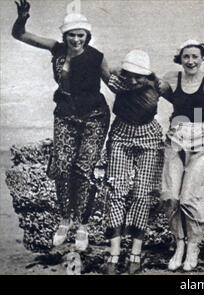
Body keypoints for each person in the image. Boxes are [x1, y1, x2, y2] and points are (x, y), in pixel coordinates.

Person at [12, 0, 111, 251]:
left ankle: (83, 226)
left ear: (87, 36)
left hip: (94, 117)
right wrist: (23, 17)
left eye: (81, 35)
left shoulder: (96, 57)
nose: (76, 39)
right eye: (72, 35)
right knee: (61, 168)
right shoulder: (56, 49)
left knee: (83, 171)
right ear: (64, 35)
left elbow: (113, 84)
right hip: (66, 114)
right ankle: (65, 220)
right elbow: (20, 35)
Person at [103, 50, 171, 275]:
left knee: (142, 193)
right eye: (129, 74)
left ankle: (135, 253)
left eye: (138, 76)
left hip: (149, 134)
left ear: (148, 75)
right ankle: (113, 254)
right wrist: (117, 71)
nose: (133, 80)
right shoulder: (119, 82)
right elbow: (100, 62)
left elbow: (185, 99)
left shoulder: (158, 85)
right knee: (117, 190)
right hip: (121, 132)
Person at [160, 40, 204, 271]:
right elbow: (150, 89)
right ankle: (180, 244)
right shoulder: (172, 79)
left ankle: (194, 245)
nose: (191, 61)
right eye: (186, 57)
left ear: (203, 58)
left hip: (203, 141)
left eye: (195, 56)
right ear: (180, 59)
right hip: (176, 139)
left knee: (191, 196)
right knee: (171, 195)